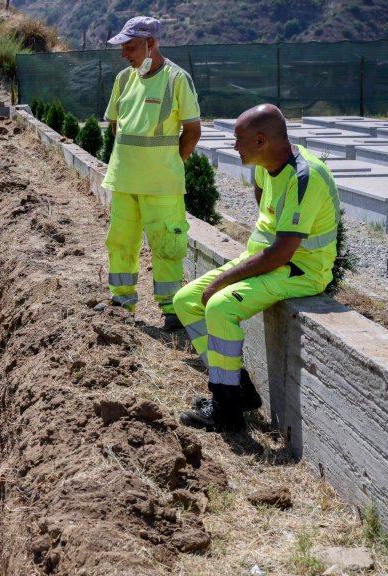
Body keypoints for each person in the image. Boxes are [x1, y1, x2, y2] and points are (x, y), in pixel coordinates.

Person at [175, 104, 340, 431]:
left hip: (300, 271)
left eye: (239, 140)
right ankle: (239, 392)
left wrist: (221, 281)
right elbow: (263, 195)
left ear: (261, 140)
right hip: (270, 260)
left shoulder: (305, 177)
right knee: (185, 301)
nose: (234, 146)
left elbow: (281, 253)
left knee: (219, 305)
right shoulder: (268, 162)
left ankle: (226, 412)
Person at [101, 16, 202, 330]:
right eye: (123, 48)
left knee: (167, 245)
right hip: (124, 180)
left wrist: (171, 163)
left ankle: (172, 310)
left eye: (130, 47)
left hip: (161, 183)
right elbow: (116, 124)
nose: (124, 54)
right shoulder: (123, 79)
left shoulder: (176, 79)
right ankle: (121, 302)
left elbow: (193, 130)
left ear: (152, 44)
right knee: (120, 242)